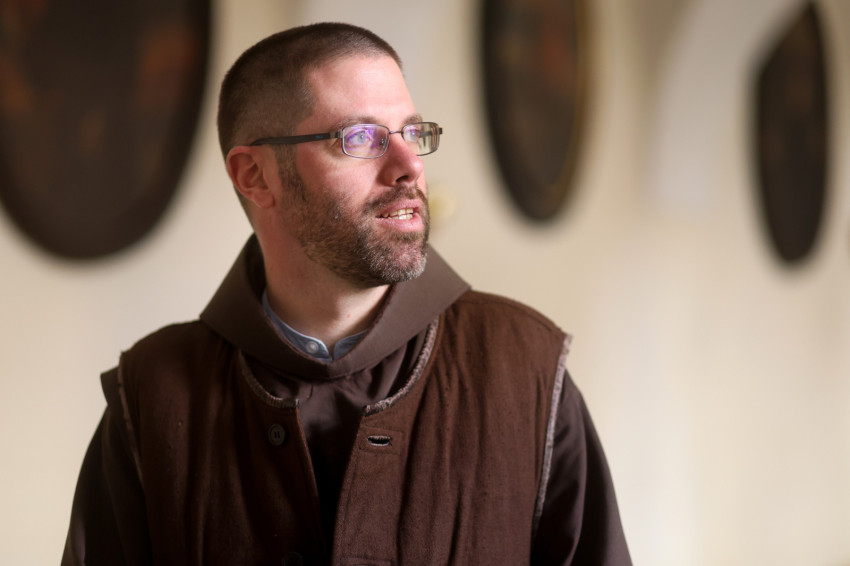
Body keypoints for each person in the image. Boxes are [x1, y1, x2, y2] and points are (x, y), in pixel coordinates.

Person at [61, 22, 632, 566]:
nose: (409, 167)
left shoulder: (526, 367)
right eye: (360, 139)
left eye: (413, 133)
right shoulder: (152, 395)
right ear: (255, 176)